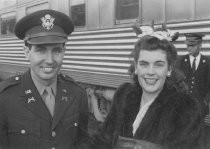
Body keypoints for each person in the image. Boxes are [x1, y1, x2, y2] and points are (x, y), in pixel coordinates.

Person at [86, 27, 203, 149]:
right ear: (136, 67)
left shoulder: (185, 108)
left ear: (169, 69)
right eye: (144, 64)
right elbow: (103, 139)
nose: (150, 72)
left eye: (158, 65)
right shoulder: (124, 95)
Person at [0, 9, 89, 149]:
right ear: (27, 52)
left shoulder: (77, 94)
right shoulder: (5, 98)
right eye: (41, 50)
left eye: (57, 50)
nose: (49, 60)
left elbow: (83, 142)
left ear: (64, 51)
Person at [175, 33, 210, 148]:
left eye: (192, 45)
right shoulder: (180, 60)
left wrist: (208, 108)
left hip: (201, 108)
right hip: (183, 106)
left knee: (201, 139)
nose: (189, 48)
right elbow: (176, 84)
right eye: (187, 45)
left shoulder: (208, 61)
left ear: (200, 45)